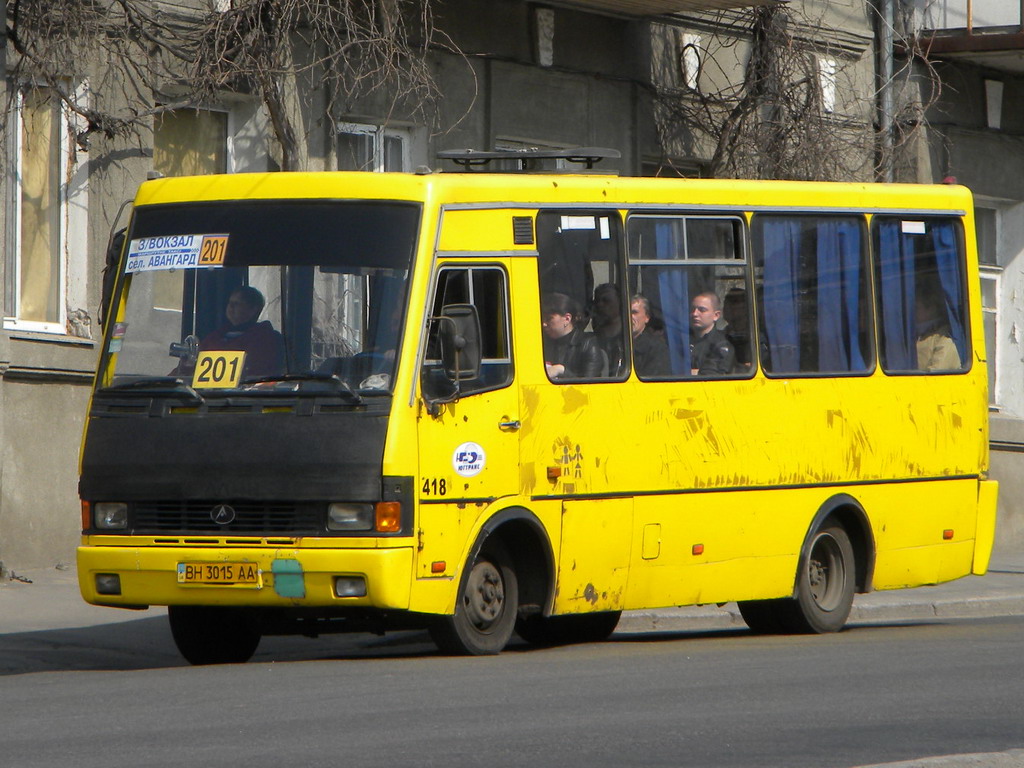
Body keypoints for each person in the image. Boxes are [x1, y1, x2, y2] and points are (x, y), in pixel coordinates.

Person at [198, 286, 285, 379]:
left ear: (253, 309)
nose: (230, 307)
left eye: (237, 304)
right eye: (229, 303)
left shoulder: (267, 340)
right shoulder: (214, 337)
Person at [542, 292, 607, 380]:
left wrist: (561, 371)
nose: (544, 324)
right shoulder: (542, 343)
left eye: (549, 319)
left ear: (567, 319)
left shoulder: (588, 344)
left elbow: (589, 383)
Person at [689, 290, 735, 375]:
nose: (695, 313)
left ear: (716, 315)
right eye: (692, 309)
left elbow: (711, 377)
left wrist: (688, 373)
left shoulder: (721, 344)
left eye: (702, 310)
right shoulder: (682, 340)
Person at [916, 291, 961, 371]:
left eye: (918, 308)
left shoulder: (945, 339)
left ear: (931, 309)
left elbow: (936, 375)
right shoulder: (915, 335)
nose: (914, 313)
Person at [591, 283, 627, 376]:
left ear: (619, 303)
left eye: (606, 300)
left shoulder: (629, 340)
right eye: (597, 301)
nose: (600, 305)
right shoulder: (589, 342)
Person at [630, 294, 669, 377]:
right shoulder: (619, 345)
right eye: (627, 312)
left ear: (647, 317)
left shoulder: (657, 347)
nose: (630, 317)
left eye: (634, 312)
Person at [722, 287, 753, 369]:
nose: (727, 308)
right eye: (726, 304)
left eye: (734, 302)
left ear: (746, 308)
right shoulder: (719, 337)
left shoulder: (757, 340)